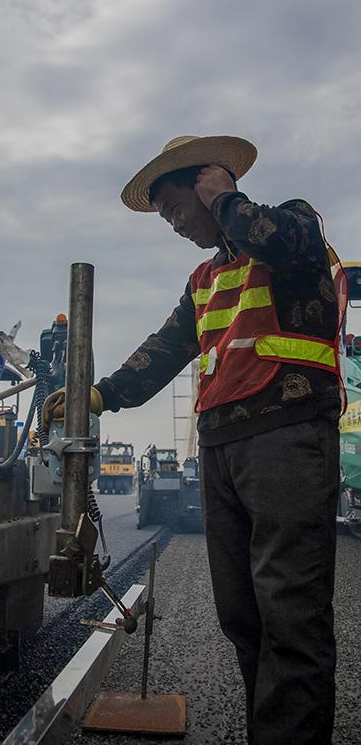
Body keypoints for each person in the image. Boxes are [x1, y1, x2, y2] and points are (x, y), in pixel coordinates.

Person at [44, 135, 344, 745]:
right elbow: (165, 348)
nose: (176, 224)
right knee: (243, 614)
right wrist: (101, 394)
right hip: (222, 449)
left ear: (208, 183)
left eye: (178, 207)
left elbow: (282, 240)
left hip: (286, 439)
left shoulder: (292, 226)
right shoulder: (204, 278)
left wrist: (229, 200)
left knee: (290, 615)